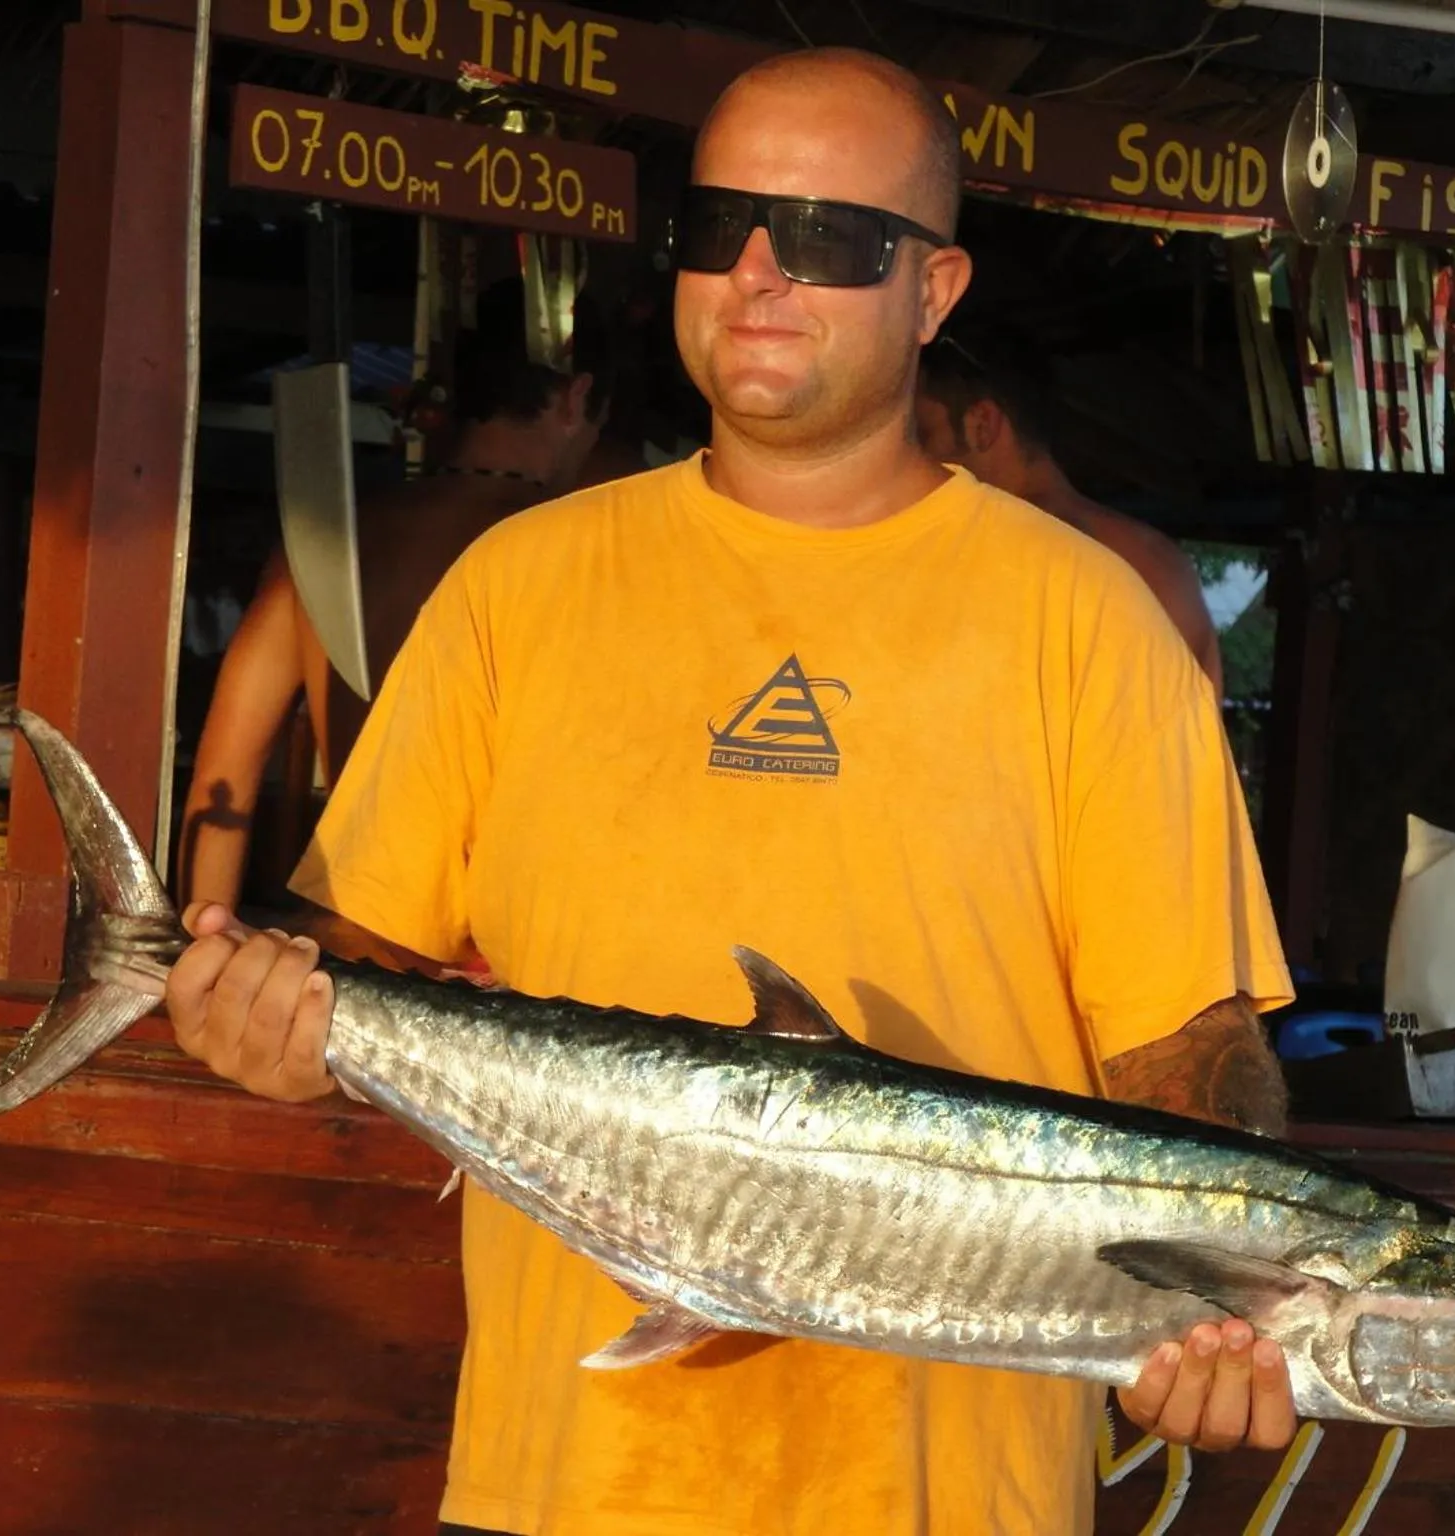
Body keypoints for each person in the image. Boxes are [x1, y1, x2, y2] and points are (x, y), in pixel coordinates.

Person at [164, 46, 1296, 1536]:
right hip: (562, 1480)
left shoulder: (1088, 625)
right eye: (722, 228)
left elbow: (1189, 1056)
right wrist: (269, 1026)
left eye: (827, 240)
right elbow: (362, 963)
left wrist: (1240, 1310)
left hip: (949, 1498)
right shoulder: (521, 586)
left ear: (935, 292)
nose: (760, 272)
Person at [174, 278, 612, 912]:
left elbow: (223, 784)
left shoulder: (331, 543)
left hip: (351, 933)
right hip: (503, 955)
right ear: (577, 398)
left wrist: (203, 951)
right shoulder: (584, 551)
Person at [917, 330, 1226, 691]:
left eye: (924, 436)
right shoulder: (1161, 561)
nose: (914, 463)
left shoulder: (1001, 555)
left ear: (981, 426)